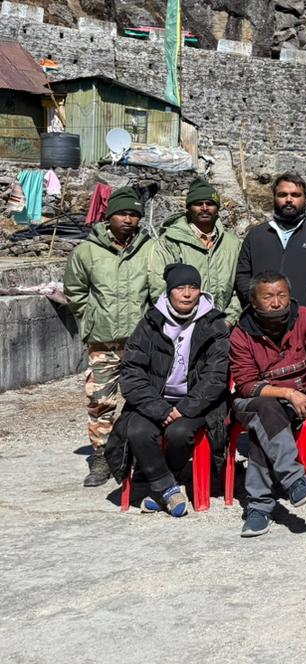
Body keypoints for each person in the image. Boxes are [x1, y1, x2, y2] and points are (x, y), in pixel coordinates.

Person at [107, 263, 230, 515]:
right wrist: (160, 409)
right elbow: (132, 373)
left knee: (179, 433)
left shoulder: (214, 324)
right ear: (169, 291)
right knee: (137, 430)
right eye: (180, 288)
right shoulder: (150, 324)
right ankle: (168, 488)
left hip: (196, 402)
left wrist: (184, 408)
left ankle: (163, 486)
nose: (187, 294)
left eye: (193, 287)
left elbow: (215, 377)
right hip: (156, 397)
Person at [229, 271, 306, 537]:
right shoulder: (242, 333)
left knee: (262, 432)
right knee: (266, 409)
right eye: (268, 297)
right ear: (254, 301)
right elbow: (246, 384)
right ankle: (294, 480)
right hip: (252, 401)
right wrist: (288, 394)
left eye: (281, 295)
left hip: (295, 403)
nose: (276, 303)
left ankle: (259, 507)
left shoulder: (304, 318)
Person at [64, 186, 153, 487]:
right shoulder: (87, 251)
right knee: (100, 400)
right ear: (109, 215)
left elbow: (157, 291)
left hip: (141, 341)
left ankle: (140, 455)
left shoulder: (150, 249)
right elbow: (74, 290)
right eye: (122, 213)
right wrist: (92, 317)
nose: (128, 219)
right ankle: (102, 456)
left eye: (134, 214)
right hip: (102, 340)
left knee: (142, 399)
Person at [235, 173, 306, 314]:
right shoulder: (256, 235)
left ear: (305, 198)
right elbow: (243, 274)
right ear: (274, 197)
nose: (289, 200)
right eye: (282, 195)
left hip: (305, 315)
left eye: (295, 195)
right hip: (261, 316)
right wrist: (254, 300)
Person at [150, 178, 242, 324]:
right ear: (189, 208)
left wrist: (229, 320)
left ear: (217, 208)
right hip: (183, 325)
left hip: (223, 326)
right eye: (198, 204)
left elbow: (241, 285)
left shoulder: (232, 244)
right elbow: (159, 285)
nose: (205, 208)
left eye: (210, 204)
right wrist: (181, 321)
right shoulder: (170, 241)